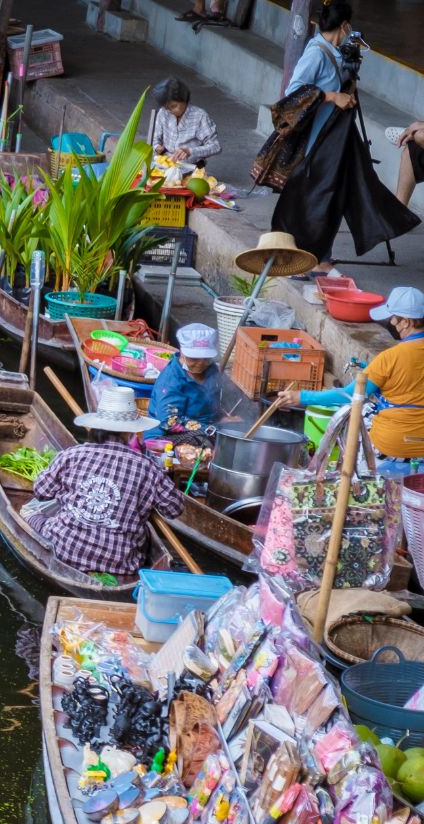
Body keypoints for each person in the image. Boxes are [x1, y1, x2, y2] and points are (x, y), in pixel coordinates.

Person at [265, 3, 417, 274]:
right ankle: (303, 255)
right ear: (344, 25)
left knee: (337, 195)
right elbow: (294, 92)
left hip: (335, 138)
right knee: (317, 198)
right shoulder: (315, 54)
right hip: (316, 141)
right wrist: (333, 96)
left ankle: (322, 256)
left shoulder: (335, 52)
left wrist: (347, 85)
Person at [23, 387, 184, 577]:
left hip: (65, 549)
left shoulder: (72, 454)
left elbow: (41, 491)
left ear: (97, 427)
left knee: (27, 512)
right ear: (129, 432)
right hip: (122, 562)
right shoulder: (148, 467)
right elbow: (174, 509)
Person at [278, 286, 424, 476]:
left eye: (393, 318)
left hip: (393, 446)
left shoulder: (390, 358)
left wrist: (302, 396)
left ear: (406, 322)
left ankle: (360, 475)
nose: (391, 323)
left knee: (359, 412)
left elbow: (349, 395)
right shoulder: (388, 361)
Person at [151, 323, 228, 428]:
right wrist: (209, 429)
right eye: (194, 358)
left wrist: (222, 418)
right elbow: (169, 422)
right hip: (167, 434)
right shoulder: (171, 380)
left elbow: (211, 406)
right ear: (182, 352)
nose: (201, 363)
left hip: (205, 427)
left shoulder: (211, 369)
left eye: (206, 358)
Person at [146, 78, 221, 165]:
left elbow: (215, 146)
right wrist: (157, 147)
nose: (169, 111)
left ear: (184, 99)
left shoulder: (199, 116)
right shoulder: (163, 112)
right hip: (165, 163)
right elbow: (155, 140)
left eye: (173, 106)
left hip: (190, 166)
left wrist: (190, 151)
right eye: (166, 107)